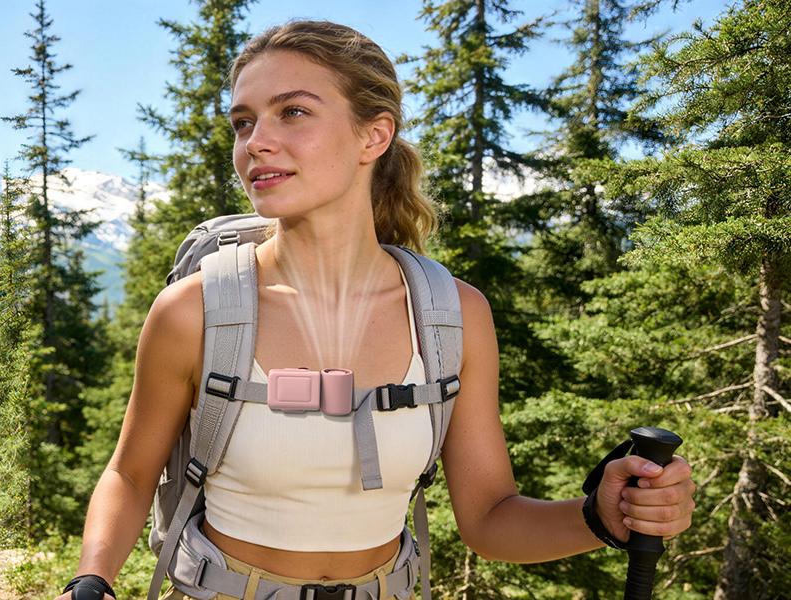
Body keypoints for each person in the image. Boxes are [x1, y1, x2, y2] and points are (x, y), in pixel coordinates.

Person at [54, 20, 696, 600]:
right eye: (243, 122)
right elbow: (130, 476)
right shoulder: (195, 311)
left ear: (374, 135)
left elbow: (490, 518)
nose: (257, 142)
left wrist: (600, 516)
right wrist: (91, 582)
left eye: (293, 112)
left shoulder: (451, 315)